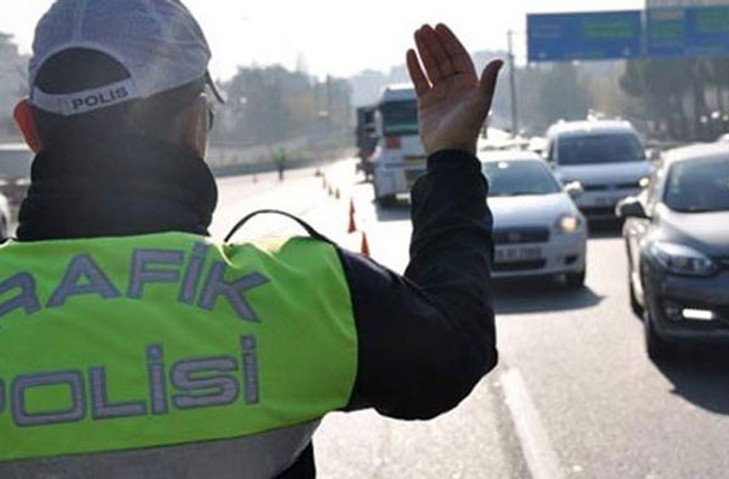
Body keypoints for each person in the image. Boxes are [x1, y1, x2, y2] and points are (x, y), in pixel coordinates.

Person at [0, 1, 502, 478]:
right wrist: (452, 157)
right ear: (197, 120)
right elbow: (455, 348)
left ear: (30, 128)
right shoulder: (298, 291)